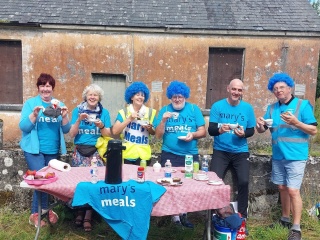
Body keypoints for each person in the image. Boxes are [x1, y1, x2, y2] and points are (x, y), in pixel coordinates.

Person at [256, 73, 317, 240]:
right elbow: (263, 130)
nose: (278, 90)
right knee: (282, 188)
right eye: (275, 89)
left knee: (293, 190)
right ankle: (284, 219)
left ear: (289, 88)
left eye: (281, 87)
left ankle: (296, 228)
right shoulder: (271, 108)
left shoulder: (303, 105)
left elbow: (313, 130)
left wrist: (296, 122)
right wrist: (259, 125)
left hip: (296, 156)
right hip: (278, 155)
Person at [19, 73, 71, 227]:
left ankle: (46, 210)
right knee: (40, 180)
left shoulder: (58, 104)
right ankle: (35, 213)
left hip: (52, 150)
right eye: (42, 85)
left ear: (52, 88)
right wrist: (34, 114)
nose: (45, 89)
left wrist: (65, 115)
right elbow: (23, 127)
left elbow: (66, 129)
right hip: (34, 150)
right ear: (38, 88)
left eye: (48, 85)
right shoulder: (31, 103)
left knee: (49, 180)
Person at [154, 80, 206, 228]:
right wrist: (163, 120)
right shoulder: (164, 110)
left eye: (180, 96)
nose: (177, 99)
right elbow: (157, 135)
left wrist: (193, 135)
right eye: (174, 96)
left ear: (185, 96)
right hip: (169, 154)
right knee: (169, 184)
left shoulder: (194, 109)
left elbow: (203, 131)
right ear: (170, 97)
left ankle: (184, 214)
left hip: (190, 154)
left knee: (188, 184)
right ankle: (174, 216)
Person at [208, 79, 256, 221]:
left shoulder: (247, 108)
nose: (236, 92)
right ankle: (214, 215)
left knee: (244, 182)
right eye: (234, 89)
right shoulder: (217, 106)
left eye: (239, 90)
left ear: (242, 92)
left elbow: (251, 130)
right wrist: (220, 130)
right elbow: (211, 130)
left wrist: (244, 134)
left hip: (240, 151)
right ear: (228, 89)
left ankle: (242, 216)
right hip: (220, 150)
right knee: (214, 183)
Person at [69, 83, 112, 231]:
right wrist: (79, 120)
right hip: (80, 151)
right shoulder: (77, 111)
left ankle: (89, 214)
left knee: (94, 183)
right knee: (80, 183)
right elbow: (71, 134)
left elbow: (108, 135)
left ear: (99, 98)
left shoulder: (103, 112)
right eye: (90, 94)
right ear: (85, 97)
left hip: (96, 152)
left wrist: (101, 126)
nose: (93, 97)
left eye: (95, 95)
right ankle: (79, 211)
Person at [112, 81, 156, 166]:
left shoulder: (150, 112)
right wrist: (129, 119)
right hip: (127, 154)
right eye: (138, 95)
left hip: (144, 155)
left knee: (142, 177)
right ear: (132, 97)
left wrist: (149, 128)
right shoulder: (124, 112)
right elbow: (115, 131)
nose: (140, 97)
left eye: (142, 95)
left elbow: (154, 132)